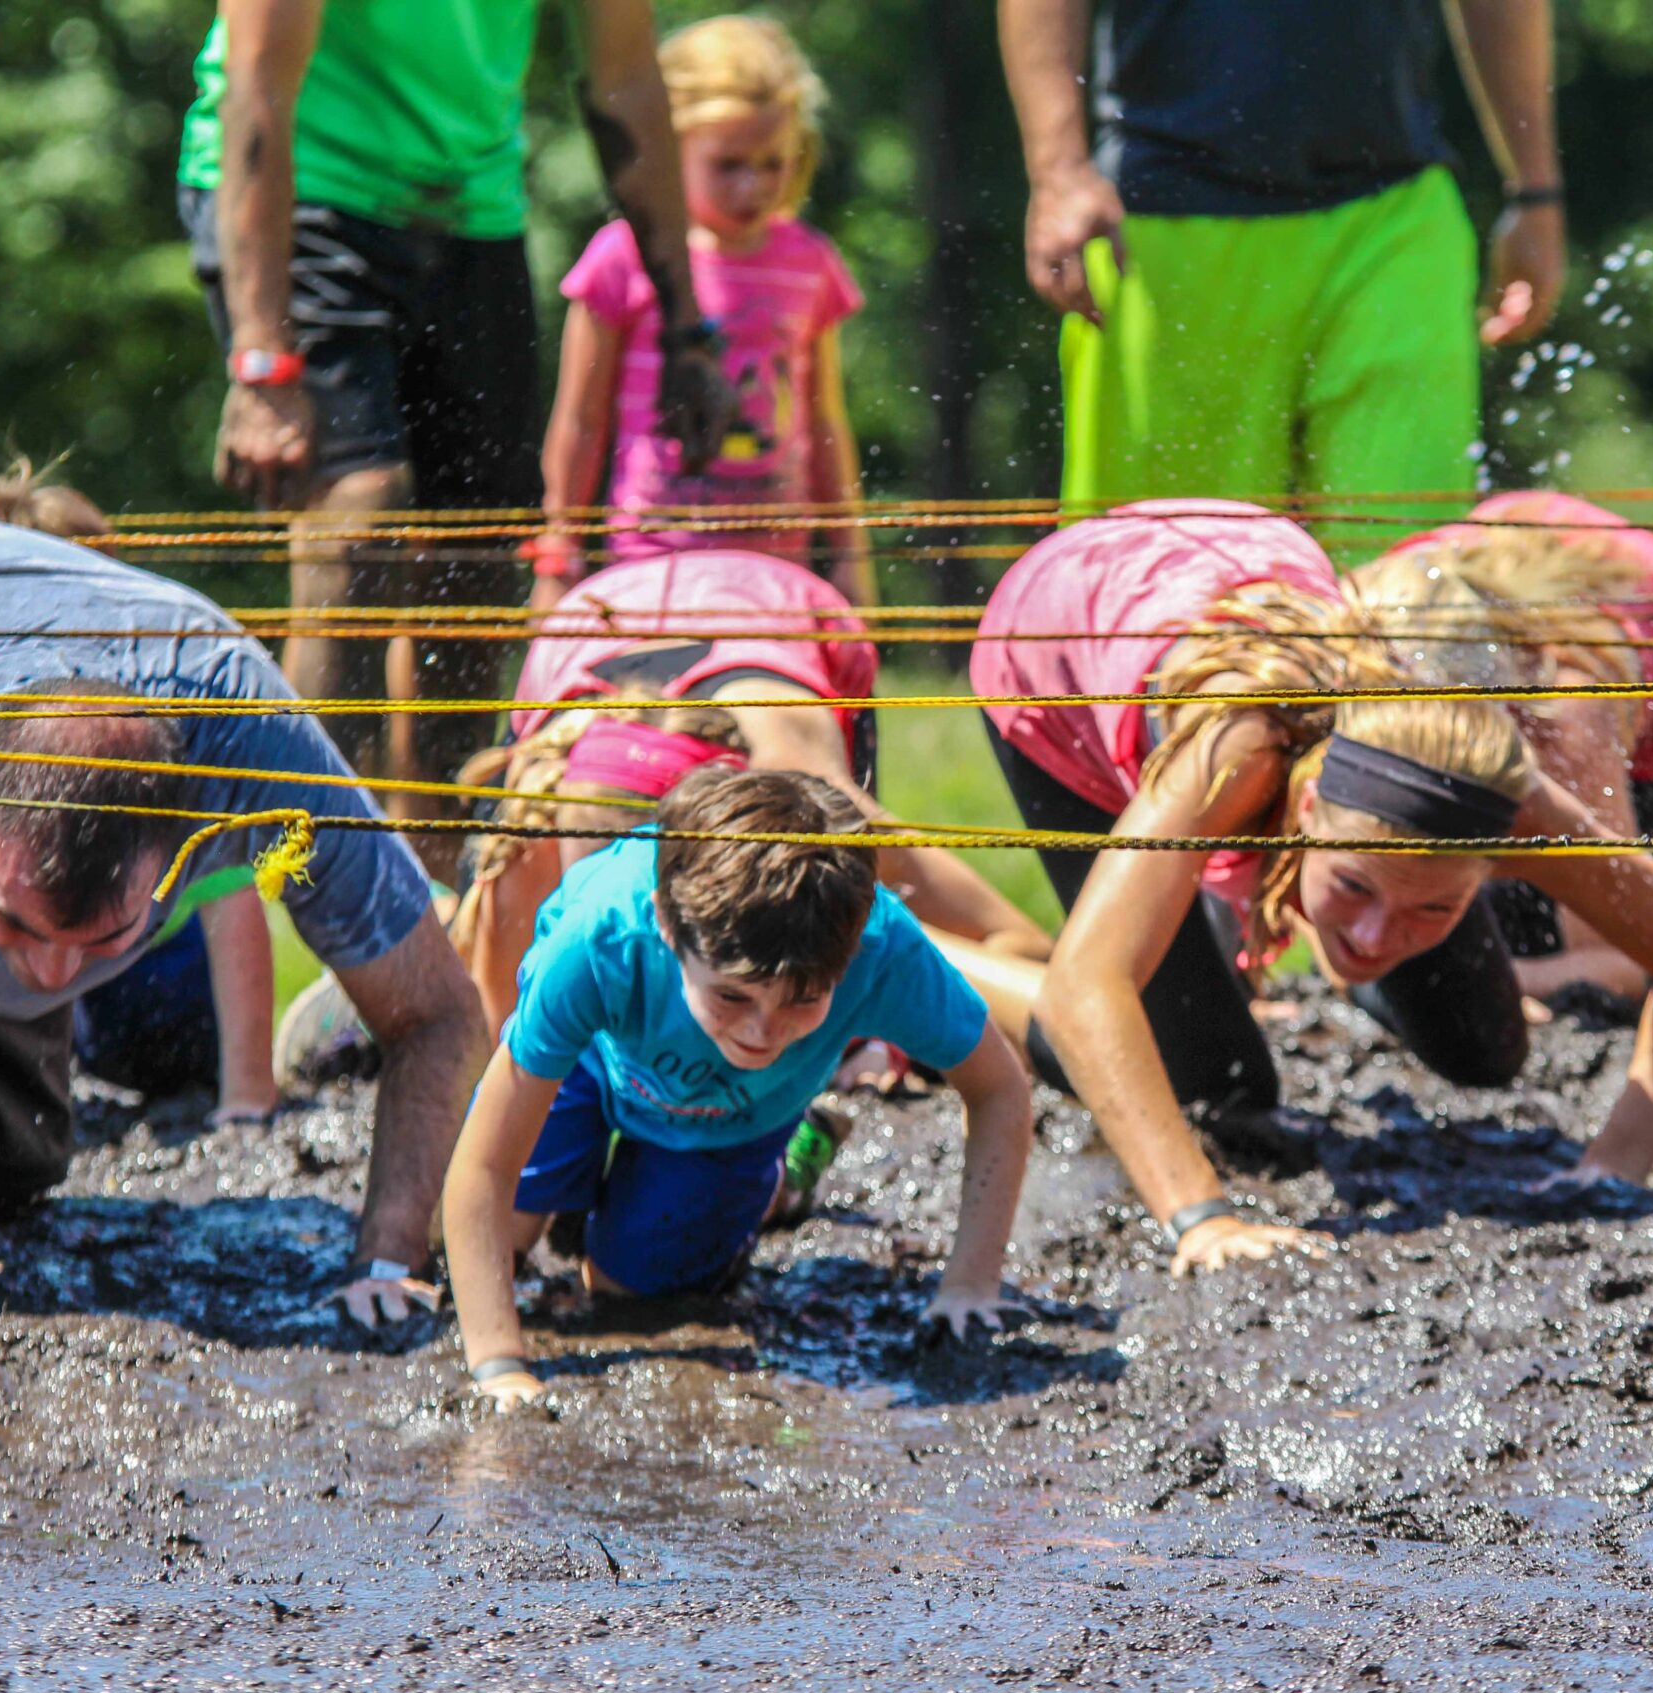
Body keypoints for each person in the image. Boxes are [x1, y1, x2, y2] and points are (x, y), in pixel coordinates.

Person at [965, 502, 1653, 1273]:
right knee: (1205, 1083)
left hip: (1257, 611)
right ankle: (929, 954)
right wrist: (1203, 1218)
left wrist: (1615, 1164)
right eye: (1354, 885)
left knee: (1484, 1046)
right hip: (1066, 628)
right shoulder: (1235, 745)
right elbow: (1088, 990)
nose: (1372, 938)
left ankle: (1235, 901)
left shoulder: (1506, 790)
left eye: (1433, 904)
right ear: (1307, 811)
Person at [0, 521, 486, 1328]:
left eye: (104, 940)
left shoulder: (259, 759)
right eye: (15, 924)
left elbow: (438, 1013)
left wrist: (387, 1257)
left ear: (191, 845)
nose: (50, 977)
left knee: (0, 1181)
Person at [177, 0, 734, 825]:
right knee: (361, 515)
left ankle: (445, 869)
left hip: (472, 208)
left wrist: (688, 325)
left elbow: (624, 79)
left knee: (475, 557)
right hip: (302, 187)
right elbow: (259, 90)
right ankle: (321, 872)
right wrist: (262, 358)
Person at [442, 768, 1033, 1407]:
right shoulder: (602, 940)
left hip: (736, 1114)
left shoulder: (883, 952)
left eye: (803, 1001)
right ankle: (598, 1180)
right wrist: (499, 1366)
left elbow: (999, 1088)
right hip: (591, 1056)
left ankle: (783, 1176)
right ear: (668, 930)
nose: (760, 1030)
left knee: (627, 1291)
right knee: (501, 1241)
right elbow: (484, 1163)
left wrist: (970, 1286)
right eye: (732, 995)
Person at [1000, 0, 1565, 541]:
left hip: (1395, 215)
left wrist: (1535, 192)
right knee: (1165, 599)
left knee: (1410, 593)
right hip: (1164, 232)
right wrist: (1059, 172)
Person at [445, 548, 1053, 1041]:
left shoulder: (806, 804)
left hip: (773, 609)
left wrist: (882, 955)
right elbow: (487, 1049)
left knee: (826, 931)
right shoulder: (533, 838)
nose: (631, 920)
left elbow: (1022, 946)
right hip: (597, 617)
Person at [0, 460, 280, 1125]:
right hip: (69, 1034)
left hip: (168, 1003)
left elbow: (231, 907)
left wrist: (246, 1098)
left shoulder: (145, 744)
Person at [1351, 490, 1653, 1010]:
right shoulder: (1362, 626)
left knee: (1529, 910)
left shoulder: (1566, 715)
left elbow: (1623, 966)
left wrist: (1493, 987)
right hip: (1526, 548)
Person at [532, 16, 869, 607]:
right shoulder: (622, 259)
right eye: (728, 164)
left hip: (774, 573)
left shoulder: (809, 264)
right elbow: (581, 422)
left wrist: (848, 555)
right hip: (649, 570)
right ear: (666, 148)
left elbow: (825, 424)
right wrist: (560, 551)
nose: (753, 186)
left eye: (773, 162)